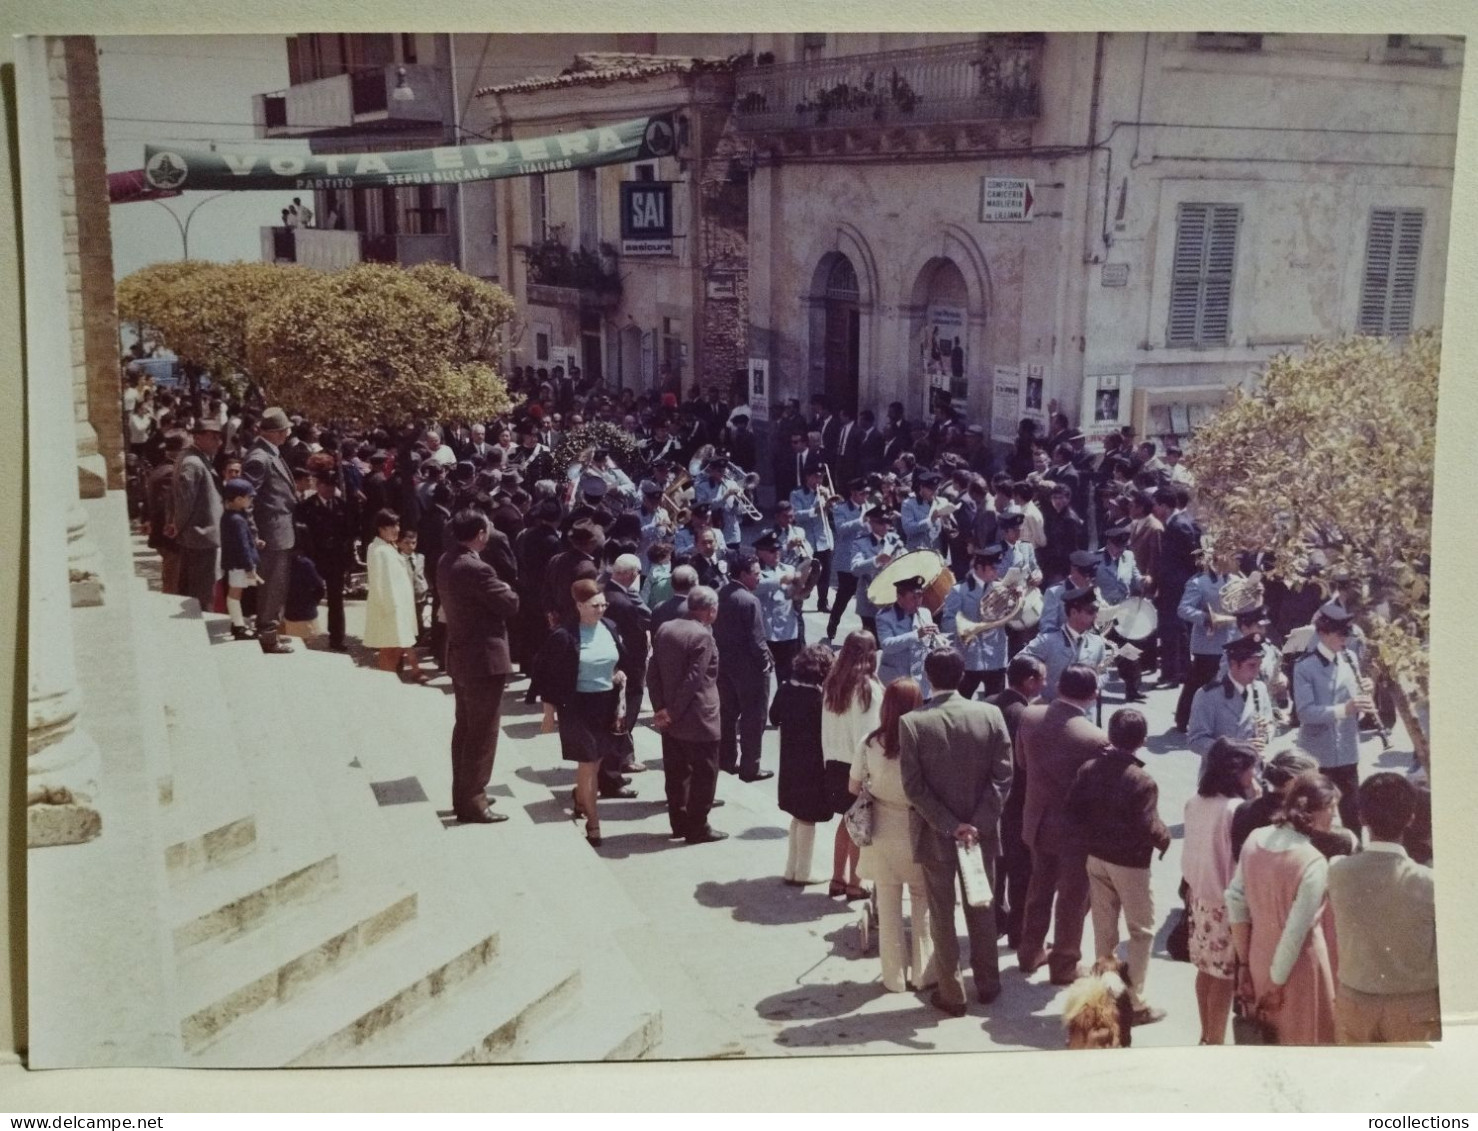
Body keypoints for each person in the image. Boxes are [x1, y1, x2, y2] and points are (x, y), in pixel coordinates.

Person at [899, 648, 1013, 1015]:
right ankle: (988, 983)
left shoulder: (913, 722)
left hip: (937, 836)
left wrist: (951, 826)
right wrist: (976, 824)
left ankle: (952, 992)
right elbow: (1003, 776)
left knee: (942, 915)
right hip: (981, 834)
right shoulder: (990, 714)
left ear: (928, 677)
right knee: (983, 909)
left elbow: (914, 788)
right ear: (963, 674)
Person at [1064, 707, 1171, 1026]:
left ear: (1110, 735)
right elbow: (1147, 826)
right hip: (1130, 864)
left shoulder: (1089, 768)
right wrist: (1165, 839)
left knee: (1104, 929)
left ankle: (1104, 994)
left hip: (1096, 858)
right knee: (1141, 931)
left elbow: (1072, 811)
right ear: (1143, 741)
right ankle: (1134, 1003)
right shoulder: (1142, 780)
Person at [1226, 772, 1341, 1045]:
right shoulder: (1313, 862)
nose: (1335, 817)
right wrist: (1276, 984)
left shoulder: (1254, 839)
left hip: (1256, 958)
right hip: (1300, 970)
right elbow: (1295, 932)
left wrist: (1243, 965)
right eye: (1332, 808)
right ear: (1313, 811)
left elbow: (1235, 901)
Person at [1327, 773, 1440, 1044]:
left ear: (1362, 817)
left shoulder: (1337, 871)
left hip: (1354, 1003)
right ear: (1410, 818)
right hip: (1415, 1008)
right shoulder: (1428, 882)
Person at [1015, 663, 1108, 985]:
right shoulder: (1096, 738)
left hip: (1037, 821)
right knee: (1072, 898)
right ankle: (1064, 964)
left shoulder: (1030, 717)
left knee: (1039, 888)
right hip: (1075, 832)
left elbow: (1021, 764)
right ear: (1093, 695)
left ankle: (1030, 952)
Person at [851, 677, 937, 993]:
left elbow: (853, 786)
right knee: (922, 905)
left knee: (888, 909)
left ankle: (894, 978)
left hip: (882, 831)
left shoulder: (869, 742)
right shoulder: (926, 741)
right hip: (917, 829)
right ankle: (923, 974)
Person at [535, 579, 632, 847]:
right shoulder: (564, 636)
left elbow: (618, 660)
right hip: (576, 707)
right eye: (594, 606)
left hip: (606, 705)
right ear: (579, 605)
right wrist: (548, 713)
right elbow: (549, 677)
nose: (601, 610)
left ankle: (580, 798)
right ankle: (593, 822)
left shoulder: (610, 628)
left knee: (597, 760)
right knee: (588, 763)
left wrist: (616, 673)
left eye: (603, 604)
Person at [438, 509, 519, 825]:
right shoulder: (477, 569)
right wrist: (508, 589)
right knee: (483, 733)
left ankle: (464, 792)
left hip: (461, 655)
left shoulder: (447, 560)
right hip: (483, 659)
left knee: (465, 728)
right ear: (480, 534)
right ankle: (473, 800)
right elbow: (510, 603)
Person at [1182, 738, 1260, 1044]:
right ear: (1236, 772)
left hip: (1199, 898)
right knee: (1225, 977)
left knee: (1204, 969)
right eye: (1251, 770)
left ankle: (1206, 1035)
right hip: (1225, 902)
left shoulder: (1194, 801)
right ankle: (1215, 1040)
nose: (1254, 775)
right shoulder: (1235, 809)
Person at [647, 585, 727, 845]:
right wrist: (672, 711)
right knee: (704, 774)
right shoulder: (703, 636)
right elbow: (694, 679)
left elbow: (653, 670)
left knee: (676, 773)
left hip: (670, 719)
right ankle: (698, 827)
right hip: (699, 718)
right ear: (709, 610)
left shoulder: (666, 628)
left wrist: (661, 709)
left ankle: (679, 823)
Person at [1292, 601, 1374, 835]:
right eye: (1340, 634)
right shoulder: (1304, 667)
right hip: (1320, 755)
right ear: (1322, 633)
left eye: (1347, 633)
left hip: (1347, 751)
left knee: (1352, 817)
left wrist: (1366, 691)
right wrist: (1344, 710)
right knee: (1316, 818)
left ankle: (1354, 860)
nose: (1345, 639)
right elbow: (1305, 713)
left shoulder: (1350, 658)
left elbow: (1356, 701)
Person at [987, 654, 1046, 950]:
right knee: (1020, 871)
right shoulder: (1027, 716)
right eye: (1041, 678)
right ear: (1029, 681)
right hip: (1017, 802)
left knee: (996, 866)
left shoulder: (987, 704)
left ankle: (996, 921)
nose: (1045, 684)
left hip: (988, 800)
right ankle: (1017, 932)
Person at [819, 632, 883, 897]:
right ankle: (855, 884)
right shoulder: (868, 688)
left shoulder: (833, 684)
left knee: (846, 822)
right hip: (856, 765)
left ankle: (837, 879)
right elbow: (870, 734)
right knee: (859, 825)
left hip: (833, 761)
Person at [774, 643, 841, 885]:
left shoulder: (785, 689)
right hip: (812, 765)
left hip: (789, 762)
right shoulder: (819, 698)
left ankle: (791, 868)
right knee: (808, 817)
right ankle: (803, 872)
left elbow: (774, 716)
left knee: (797, 816)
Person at [241, 406, 299, 654]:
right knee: (272, 586)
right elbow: (246, 501)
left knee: (277, 585)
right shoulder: (259, 458)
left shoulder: (269, 453)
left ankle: (271, 631)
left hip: (279, 530)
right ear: (275, 433)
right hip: (271, 534)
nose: (287, 435)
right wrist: (254, 534)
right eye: (284, 430)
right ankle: (268, 635)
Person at [714, 553, 774, 782]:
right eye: (756, 574)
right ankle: (751, 767)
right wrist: (765, 665)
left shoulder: (721, 594)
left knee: (727, 715)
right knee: (754, 717)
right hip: (749, 669)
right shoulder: (749, 601)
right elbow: (757, 640)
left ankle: (726, 760)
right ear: (743, 574)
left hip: (725, 666)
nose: (759, 578)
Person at [1188, 633, 1276, 778]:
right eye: (1252, 665)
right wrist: (1235, 749)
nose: (1257, 671)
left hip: (1253, 774)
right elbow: (1196, 740)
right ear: (1234, 664)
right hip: (1220, 776)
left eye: (1259, 665)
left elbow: (1270, 723)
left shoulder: (1260, 688)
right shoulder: (1208, 695)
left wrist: (1265, 734)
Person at [171, 418, 225, 617]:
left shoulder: (196, 458)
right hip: (200, 537)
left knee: (193, 589)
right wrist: (179, 527)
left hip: (199, 536)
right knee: (202, 593)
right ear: (198, 437)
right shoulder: (193, 463)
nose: (218, 442)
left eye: (219, 437)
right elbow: (185, 502)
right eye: (213, 437)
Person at [939, 546, 1009, 700]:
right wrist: (966, 627)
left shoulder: (1001, 589)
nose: (996, 572)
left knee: (996, 704)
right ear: (979, 567)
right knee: (960, 701)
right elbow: (947, 623)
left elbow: (1014, 618)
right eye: (992, 568)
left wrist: (1018, 601)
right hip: (969, 657)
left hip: (996, 656)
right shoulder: (959, 590)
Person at [364, 508, 424, 682]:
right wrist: (391, 610)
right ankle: (386, 684)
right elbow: (381, 584)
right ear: (381, 529)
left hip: (398, 609)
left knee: (396, 649)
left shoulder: (387, 547)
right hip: (390, 611)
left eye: (397, 525)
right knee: (389, 651)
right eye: (391, 526)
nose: (396, 529)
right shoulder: (379, 550)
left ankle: (388, 682)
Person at [875, 575, 938, 697]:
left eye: (920, 596)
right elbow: (887, 645)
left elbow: (929, 644)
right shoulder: (884, 616)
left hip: (921, 681)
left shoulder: (925, 613)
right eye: (913, 597)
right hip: (896, 678)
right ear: (899, 597)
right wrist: (916, 635)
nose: (918, 601)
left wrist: (935, 642)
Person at [849, 506, 904, 638]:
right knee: (871, 642)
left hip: (891, 598)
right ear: (871, 523)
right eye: (881, 523)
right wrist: (876, 560)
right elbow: (855, 569)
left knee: (891, 639)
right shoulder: (861, 543)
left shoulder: (894, 539)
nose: (885, 526)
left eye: (888, 522)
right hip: (870, 601)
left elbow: (904, 561)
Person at [219, 479, 261, 640]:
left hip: (237, 563)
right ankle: (238, 627)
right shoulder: (236, 520)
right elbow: (242, 546)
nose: (251, 500)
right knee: (235, 594)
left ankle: (239, 623)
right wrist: (249, 567)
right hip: (239, 564)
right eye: (248, 497)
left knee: (237, 594)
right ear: (237, 499)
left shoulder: (232, 516)